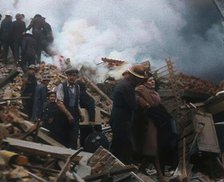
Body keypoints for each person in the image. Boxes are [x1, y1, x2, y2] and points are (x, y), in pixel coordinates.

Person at [133, 73, 178, 181]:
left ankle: (142, 168)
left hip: (157, 123)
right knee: (153, 147)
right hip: (147, 123)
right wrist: (144, 94)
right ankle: (159, 174)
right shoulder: (140, 92)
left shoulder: (154, 93)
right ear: (144, 83)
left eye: (153, 80)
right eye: (150, 80)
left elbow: (156, 105)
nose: (153, 82)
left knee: (155, 147)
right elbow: (148, 105)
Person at [109, 65, 147, 164]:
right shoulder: (127, 87)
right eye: (139, 79)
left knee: (118, 141)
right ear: (133, 77)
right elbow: (133, 105)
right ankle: (121, 164)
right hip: (121, 118)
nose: (139, 82)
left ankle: (116, 163)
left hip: (119, 116)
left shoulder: (124, 84)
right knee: (123, 142)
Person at [56, 67, 82, 149]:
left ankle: (73, 156)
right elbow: (59, 103)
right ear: (67, 76)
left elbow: (77, 101)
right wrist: (68, 115)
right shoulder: (61, 86)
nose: (72, 77)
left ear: (76, 77)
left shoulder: (77, 87)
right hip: (63, 114)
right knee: (64, 137)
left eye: (74, 75)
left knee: (74, 137)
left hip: (74, 114)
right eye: (70, 75)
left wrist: (80, 113)